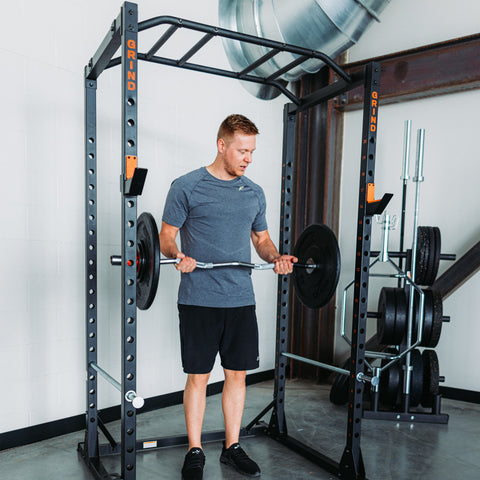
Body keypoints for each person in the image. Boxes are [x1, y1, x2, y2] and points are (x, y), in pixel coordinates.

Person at [159, 114, 297, 479]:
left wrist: (277, 258)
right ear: (222, 145)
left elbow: (262, 241)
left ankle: (232, 446)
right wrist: (178, 257)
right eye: (242, 150)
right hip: (199, 299)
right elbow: (166, 237)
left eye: (252, 151)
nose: (248, 158)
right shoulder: (186, 186)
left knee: (237, 376)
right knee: (199, 377)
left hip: (240, 299)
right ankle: (195, 449)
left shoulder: (253, 192)